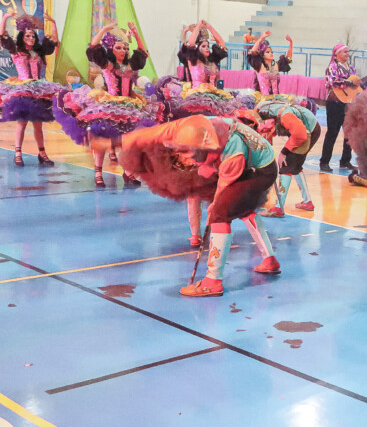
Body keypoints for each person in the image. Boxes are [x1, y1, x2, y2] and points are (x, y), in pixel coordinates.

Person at [120, 116, 280, 297]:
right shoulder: (197, 125)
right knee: (242, 209)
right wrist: (131, 139)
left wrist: (215, 208)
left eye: (188, 152)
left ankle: (213, 281)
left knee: (220, 214)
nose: (184, 157)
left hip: (261, 171)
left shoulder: (232, 151)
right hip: (248, 163)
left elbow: (223, 186)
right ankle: (270, 260)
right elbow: (162, 131)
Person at [56, 22, 156, 187]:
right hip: (109, 106)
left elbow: (142, 53)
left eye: (125, 48)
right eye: (119, 48)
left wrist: (137, 34)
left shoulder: (129, 66)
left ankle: (128, 172)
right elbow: (93, 47)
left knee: (131, 139)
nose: (123, 51)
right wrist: (103, 30)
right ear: (111, 49)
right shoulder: (108, 65)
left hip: (129, 106)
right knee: (102, 137)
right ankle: (98, 172)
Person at [0, 11, 62, 167]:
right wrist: (5, 17)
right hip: (23, 91)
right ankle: (18, 153)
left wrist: (53, 23)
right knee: (22, 123)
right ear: (22, 37)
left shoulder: (38, 52)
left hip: (39, 91)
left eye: (33, 36)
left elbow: (54, 41)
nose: (31, 38)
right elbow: (2, 36)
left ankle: (42, 153)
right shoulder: (16, 51)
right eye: (27, 35)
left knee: (38, 124)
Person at [256, 98, 321, 216]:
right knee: (295, 167)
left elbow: (300, 135)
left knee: (285, 165)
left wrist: (284, 152)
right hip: (309, 130)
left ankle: (278, 208)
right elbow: (270, 132)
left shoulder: (285, 116)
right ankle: (308, 202)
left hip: (307, 133)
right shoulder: (277, 112)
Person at [318, 43, 356, 173]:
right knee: (332, 132)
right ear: (337, 53)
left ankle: (345, 160)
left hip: (348, 102)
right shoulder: (332, 67)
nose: (347, 54)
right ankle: (324, 161)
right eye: (345, 52)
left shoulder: (351, 68)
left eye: (348, 52)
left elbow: (354, 86)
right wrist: (349, 82)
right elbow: (332, 82)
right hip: (334, 102)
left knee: (349, 132)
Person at [248, 30, 292, 96]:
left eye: (271, 52)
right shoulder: (260, 66)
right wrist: (261, 38)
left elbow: (288, 58)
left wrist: (291, 43)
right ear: (263, 54)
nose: (271, 53)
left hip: (276, 97)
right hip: (264, 98)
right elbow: (252, 53)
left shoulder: (275, 66)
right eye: (268, 52)